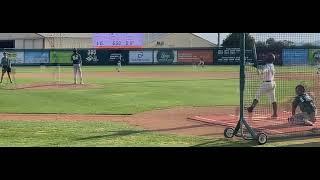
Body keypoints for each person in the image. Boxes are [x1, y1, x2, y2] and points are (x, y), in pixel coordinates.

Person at [247, 53, 278, 118]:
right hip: (272, 83)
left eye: (267, 57)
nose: (265, 58)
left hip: (266, 84)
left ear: (268, 59)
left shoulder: (267, 66)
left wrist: (260, 72)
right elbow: (267, 69)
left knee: (257, 96)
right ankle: (275, 113)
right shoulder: (272, 65)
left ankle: (251, 108)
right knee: (273, 99)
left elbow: (265, 70)